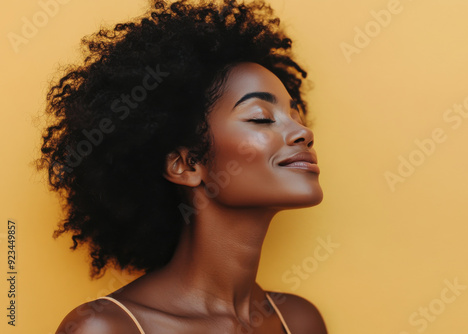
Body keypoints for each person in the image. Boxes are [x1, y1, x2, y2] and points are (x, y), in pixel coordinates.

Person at [38, 0, 327, 333]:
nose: (303, 132)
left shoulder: (300, 321)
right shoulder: (109, 327)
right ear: (186, 164)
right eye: (261, 117)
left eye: (295, 116)